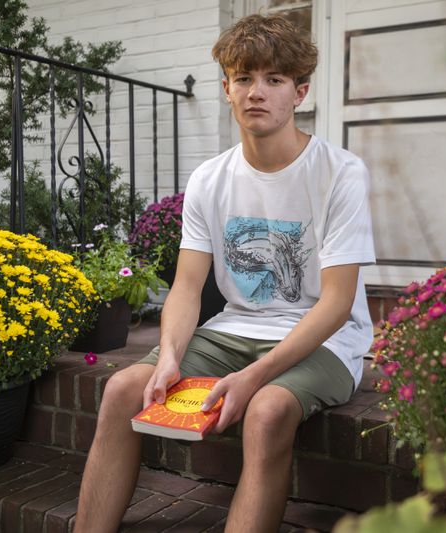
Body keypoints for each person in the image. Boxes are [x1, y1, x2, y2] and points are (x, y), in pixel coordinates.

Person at [74, 13, 375, 532]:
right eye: (244, 78)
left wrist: (254, 378)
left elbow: (336, 303)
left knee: (265, 413)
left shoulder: (340, 172)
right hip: (234, 329)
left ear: (299, 92)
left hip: (327, 341)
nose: (257, 92)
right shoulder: (209, 179)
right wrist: (168, 356)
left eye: (274, 80)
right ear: (227, 89)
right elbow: (187, 288)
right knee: (124, 388)